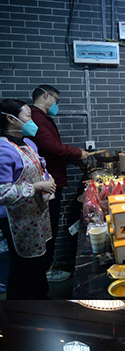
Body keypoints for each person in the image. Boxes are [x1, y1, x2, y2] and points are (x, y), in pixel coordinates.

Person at [28, 85, 88, 283]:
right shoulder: (36, 118)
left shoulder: (42, 118)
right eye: (56, 99)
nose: (56, 104)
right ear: (46, 95)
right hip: (47, 182)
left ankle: (46, 267)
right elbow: (51, 146)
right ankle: (46, 270)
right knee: (49, 226)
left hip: (52, 179)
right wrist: (77, 153)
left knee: (51, 224)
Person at [0, 99, 55, 299]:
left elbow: (40, 168)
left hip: (37, 215)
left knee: (38, 264)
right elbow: (2, 193)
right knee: (22, 268)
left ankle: (41, 298)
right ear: (11, 119)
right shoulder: (3, 149)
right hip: (18, 219)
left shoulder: (29, 143)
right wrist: (37, 187)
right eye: (28, 116)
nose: (32, 121)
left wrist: (48, 180)